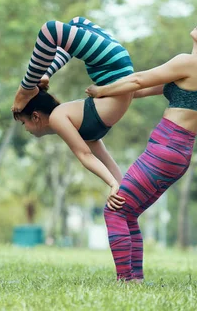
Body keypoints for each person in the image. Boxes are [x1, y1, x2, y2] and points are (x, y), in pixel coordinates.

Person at [85, 17, 197, 282]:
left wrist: (100, 90)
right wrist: (107, 88)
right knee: (129, 212)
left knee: (115, 210)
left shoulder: (190, 62)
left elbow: (137, 80)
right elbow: (138, 91)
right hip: (176, 154)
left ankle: (125, 281)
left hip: (166, 150)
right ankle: (134, 279)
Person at [12, 16, 136, 210]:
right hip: (114, 67)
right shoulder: (81, 127)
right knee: (74, 24)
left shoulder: (58, 117)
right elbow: (106, 160)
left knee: (52, 30)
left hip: (111, 66)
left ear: (36, 116)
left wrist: (112, 185)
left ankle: (27, 87)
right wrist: (125, 194)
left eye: (23, 123)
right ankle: (44, 74)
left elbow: (85, 156)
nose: (25, 129)